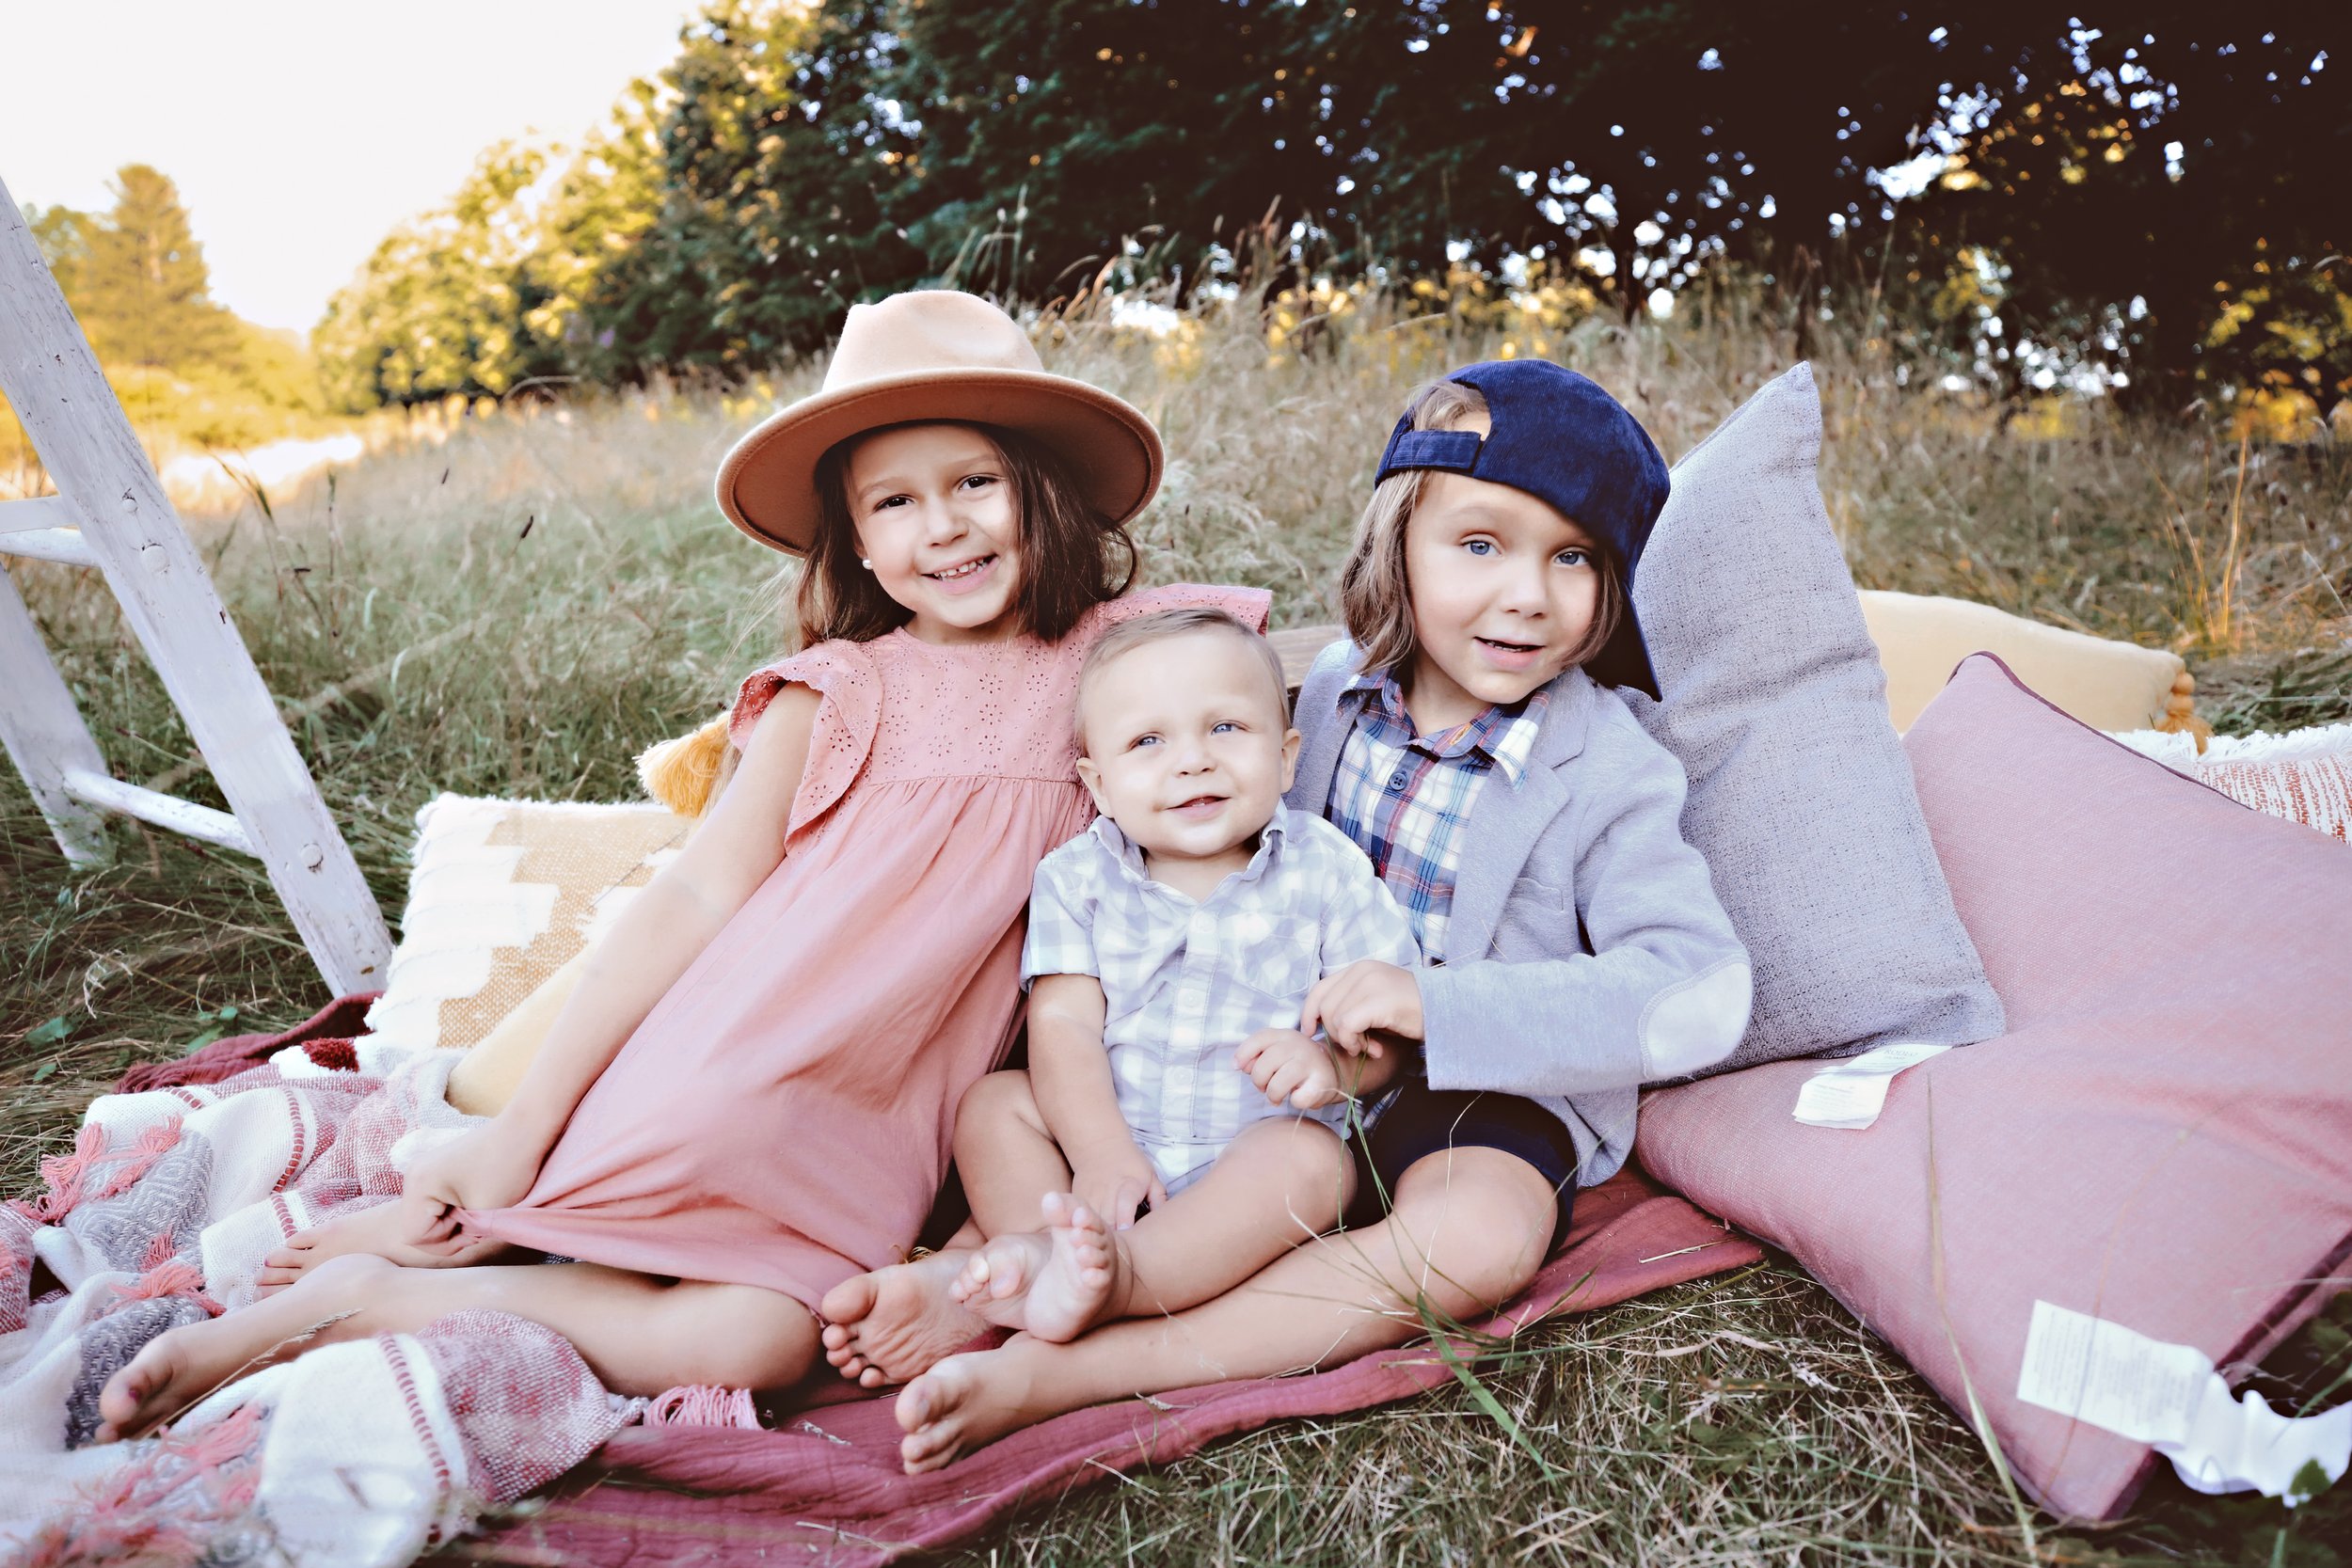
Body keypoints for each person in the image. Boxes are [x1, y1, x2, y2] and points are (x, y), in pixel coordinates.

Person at [92, 289, 1266, 1441]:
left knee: (763, 1339)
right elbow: (697, 893)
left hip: (887, 1119)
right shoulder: (843, 689)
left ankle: (403, 1284)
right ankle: (445, 1225)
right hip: (740, 1060)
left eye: (974, 482)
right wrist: (524, 1119)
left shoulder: (1126, 662)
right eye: (894, 501)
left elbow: (1273, 699)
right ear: (855, 538)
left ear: (1037, 488)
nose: (943, 526)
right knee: (652, 1261)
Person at [850, 357, 1754, 1472]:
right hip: (1272, 1072)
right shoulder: (1328, 691)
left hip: (1476, 1087)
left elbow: (1696, 985)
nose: (1526, 592)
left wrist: (1433, 1000)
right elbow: (1178, 720)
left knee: (1476, 1239)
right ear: (1396, 547)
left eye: (1573, 557)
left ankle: (1077, 1368)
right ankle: (992, 1271)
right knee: (1009, 1102)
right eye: (1479, 545)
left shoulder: (1610, 764)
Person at [936, 607, 1421, 1349]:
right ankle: (1046, 1249)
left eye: (1226, 728)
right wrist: (1099, 1151)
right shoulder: (1078, 876)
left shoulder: (1324, 867)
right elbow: (1062, 1026)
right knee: (994, 1106)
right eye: (1147, 741)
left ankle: (1118, 1279)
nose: (1192, 760)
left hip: (1249, 1154)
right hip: (1107, 1145)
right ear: (1097, 782)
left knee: (1315, 1165)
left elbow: (1384, 1023)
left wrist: (1331, 1065)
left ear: (1288, 757)